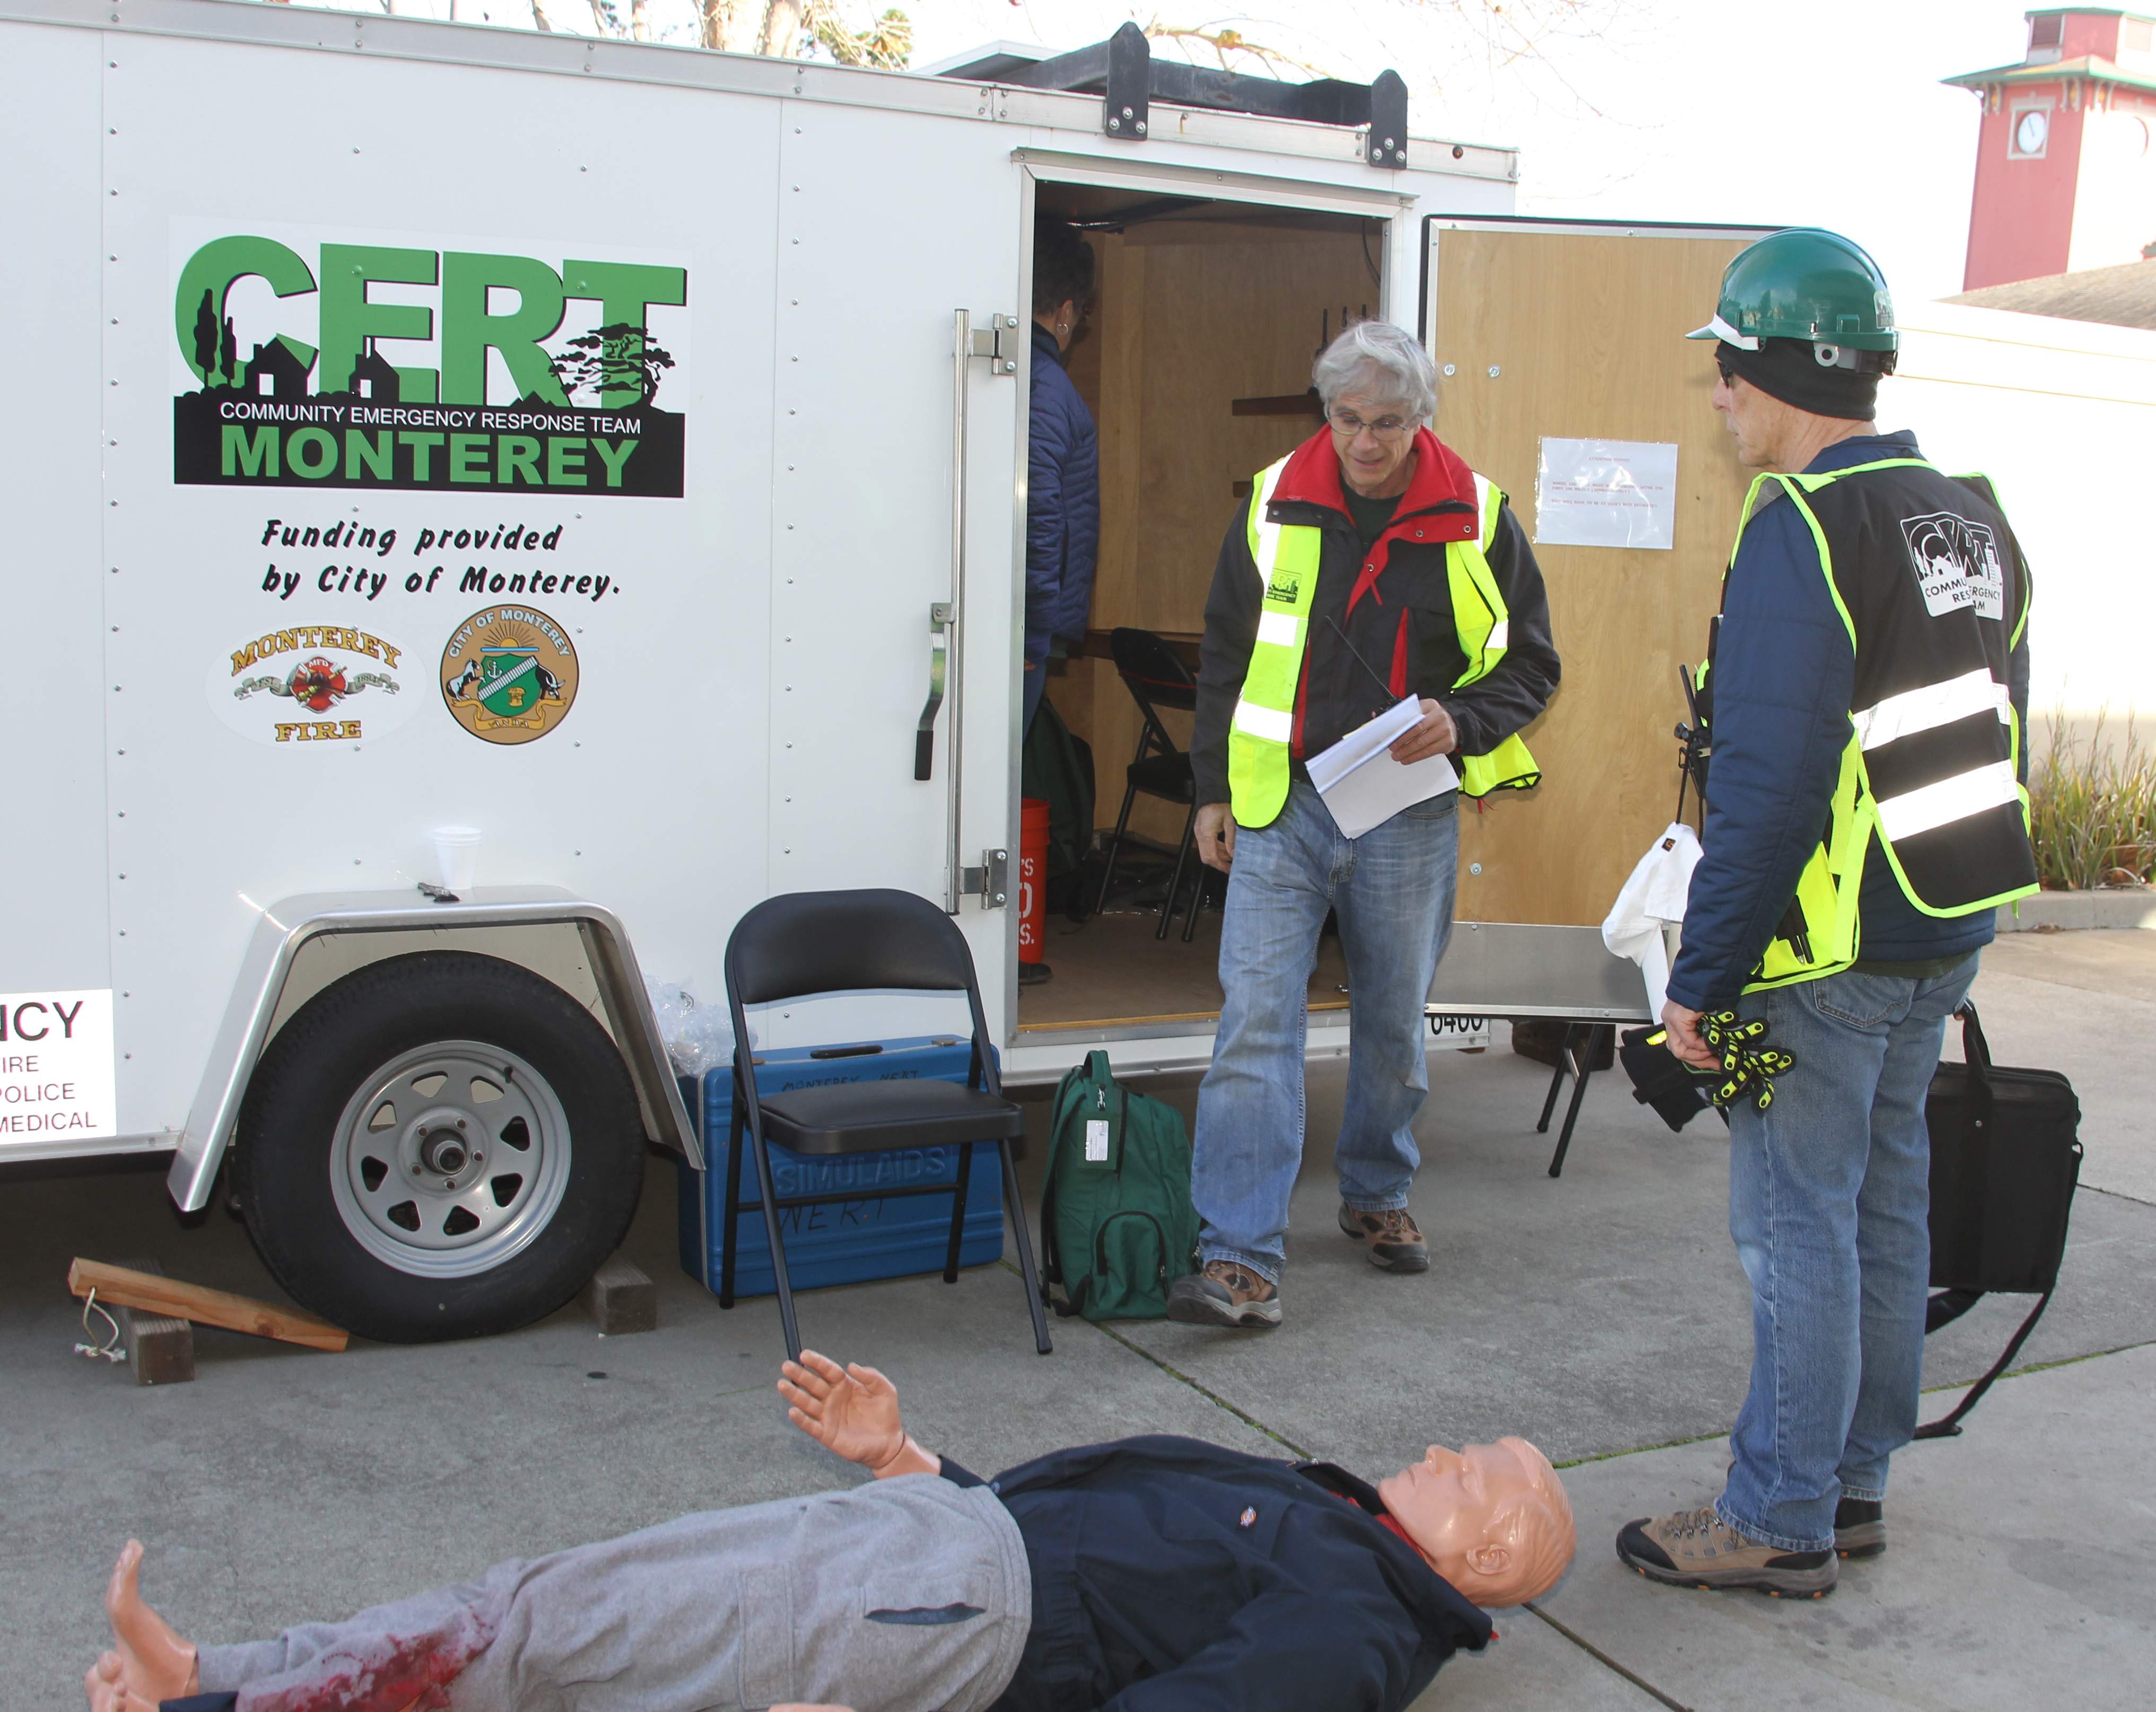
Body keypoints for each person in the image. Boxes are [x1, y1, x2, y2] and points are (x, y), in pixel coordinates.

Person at [1616, 229, 2040, 1598]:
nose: (1719, 395)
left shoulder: (1799, 527)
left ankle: (1779, 1514)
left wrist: (1701, 976)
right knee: (1881, 1205)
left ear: (1781, 371)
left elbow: (1770, 781)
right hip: (1941, 925)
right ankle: (1852, 1482)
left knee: (1792, 1219)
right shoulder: (1967, 514)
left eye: (1728, 369)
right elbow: (1998, 717)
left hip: (1829, 947)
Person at [85, 1349, 1575, 1712]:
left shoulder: (1360, 1620)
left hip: (937, 1616)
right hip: (933, 1543)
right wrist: (907, 1460)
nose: (1447, 1452)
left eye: (1478, 1473)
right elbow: (1105, 1551)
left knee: (557, 1637)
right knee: (543, 1605)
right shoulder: (1344, 1525)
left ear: (1491, 1559)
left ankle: (217, 1699)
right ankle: (224, 1675)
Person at [1169, 320, 1560, 1328]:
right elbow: (1225, 656)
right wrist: (1211, 788)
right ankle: (1238, 1255)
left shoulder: (1478, 515)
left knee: (1391, 1023)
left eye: (1386, 422)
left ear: (1421, 418)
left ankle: (1377, 1190)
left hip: (1405, 810)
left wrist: (1461, 720)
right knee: (1255, 1021)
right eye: (1347, 420)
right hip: (1281, 804)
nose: (1364, 442)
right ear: (1326, 413)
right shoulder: (1273, 501)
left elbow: (1532, 665)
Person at [1023, 217, 1099, 738]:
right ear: (1066, 311)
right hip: (1022, 634)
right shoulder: (1047, 385)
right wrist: (1031, 634)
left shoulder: (1020, 374)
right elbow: (1037, 510)